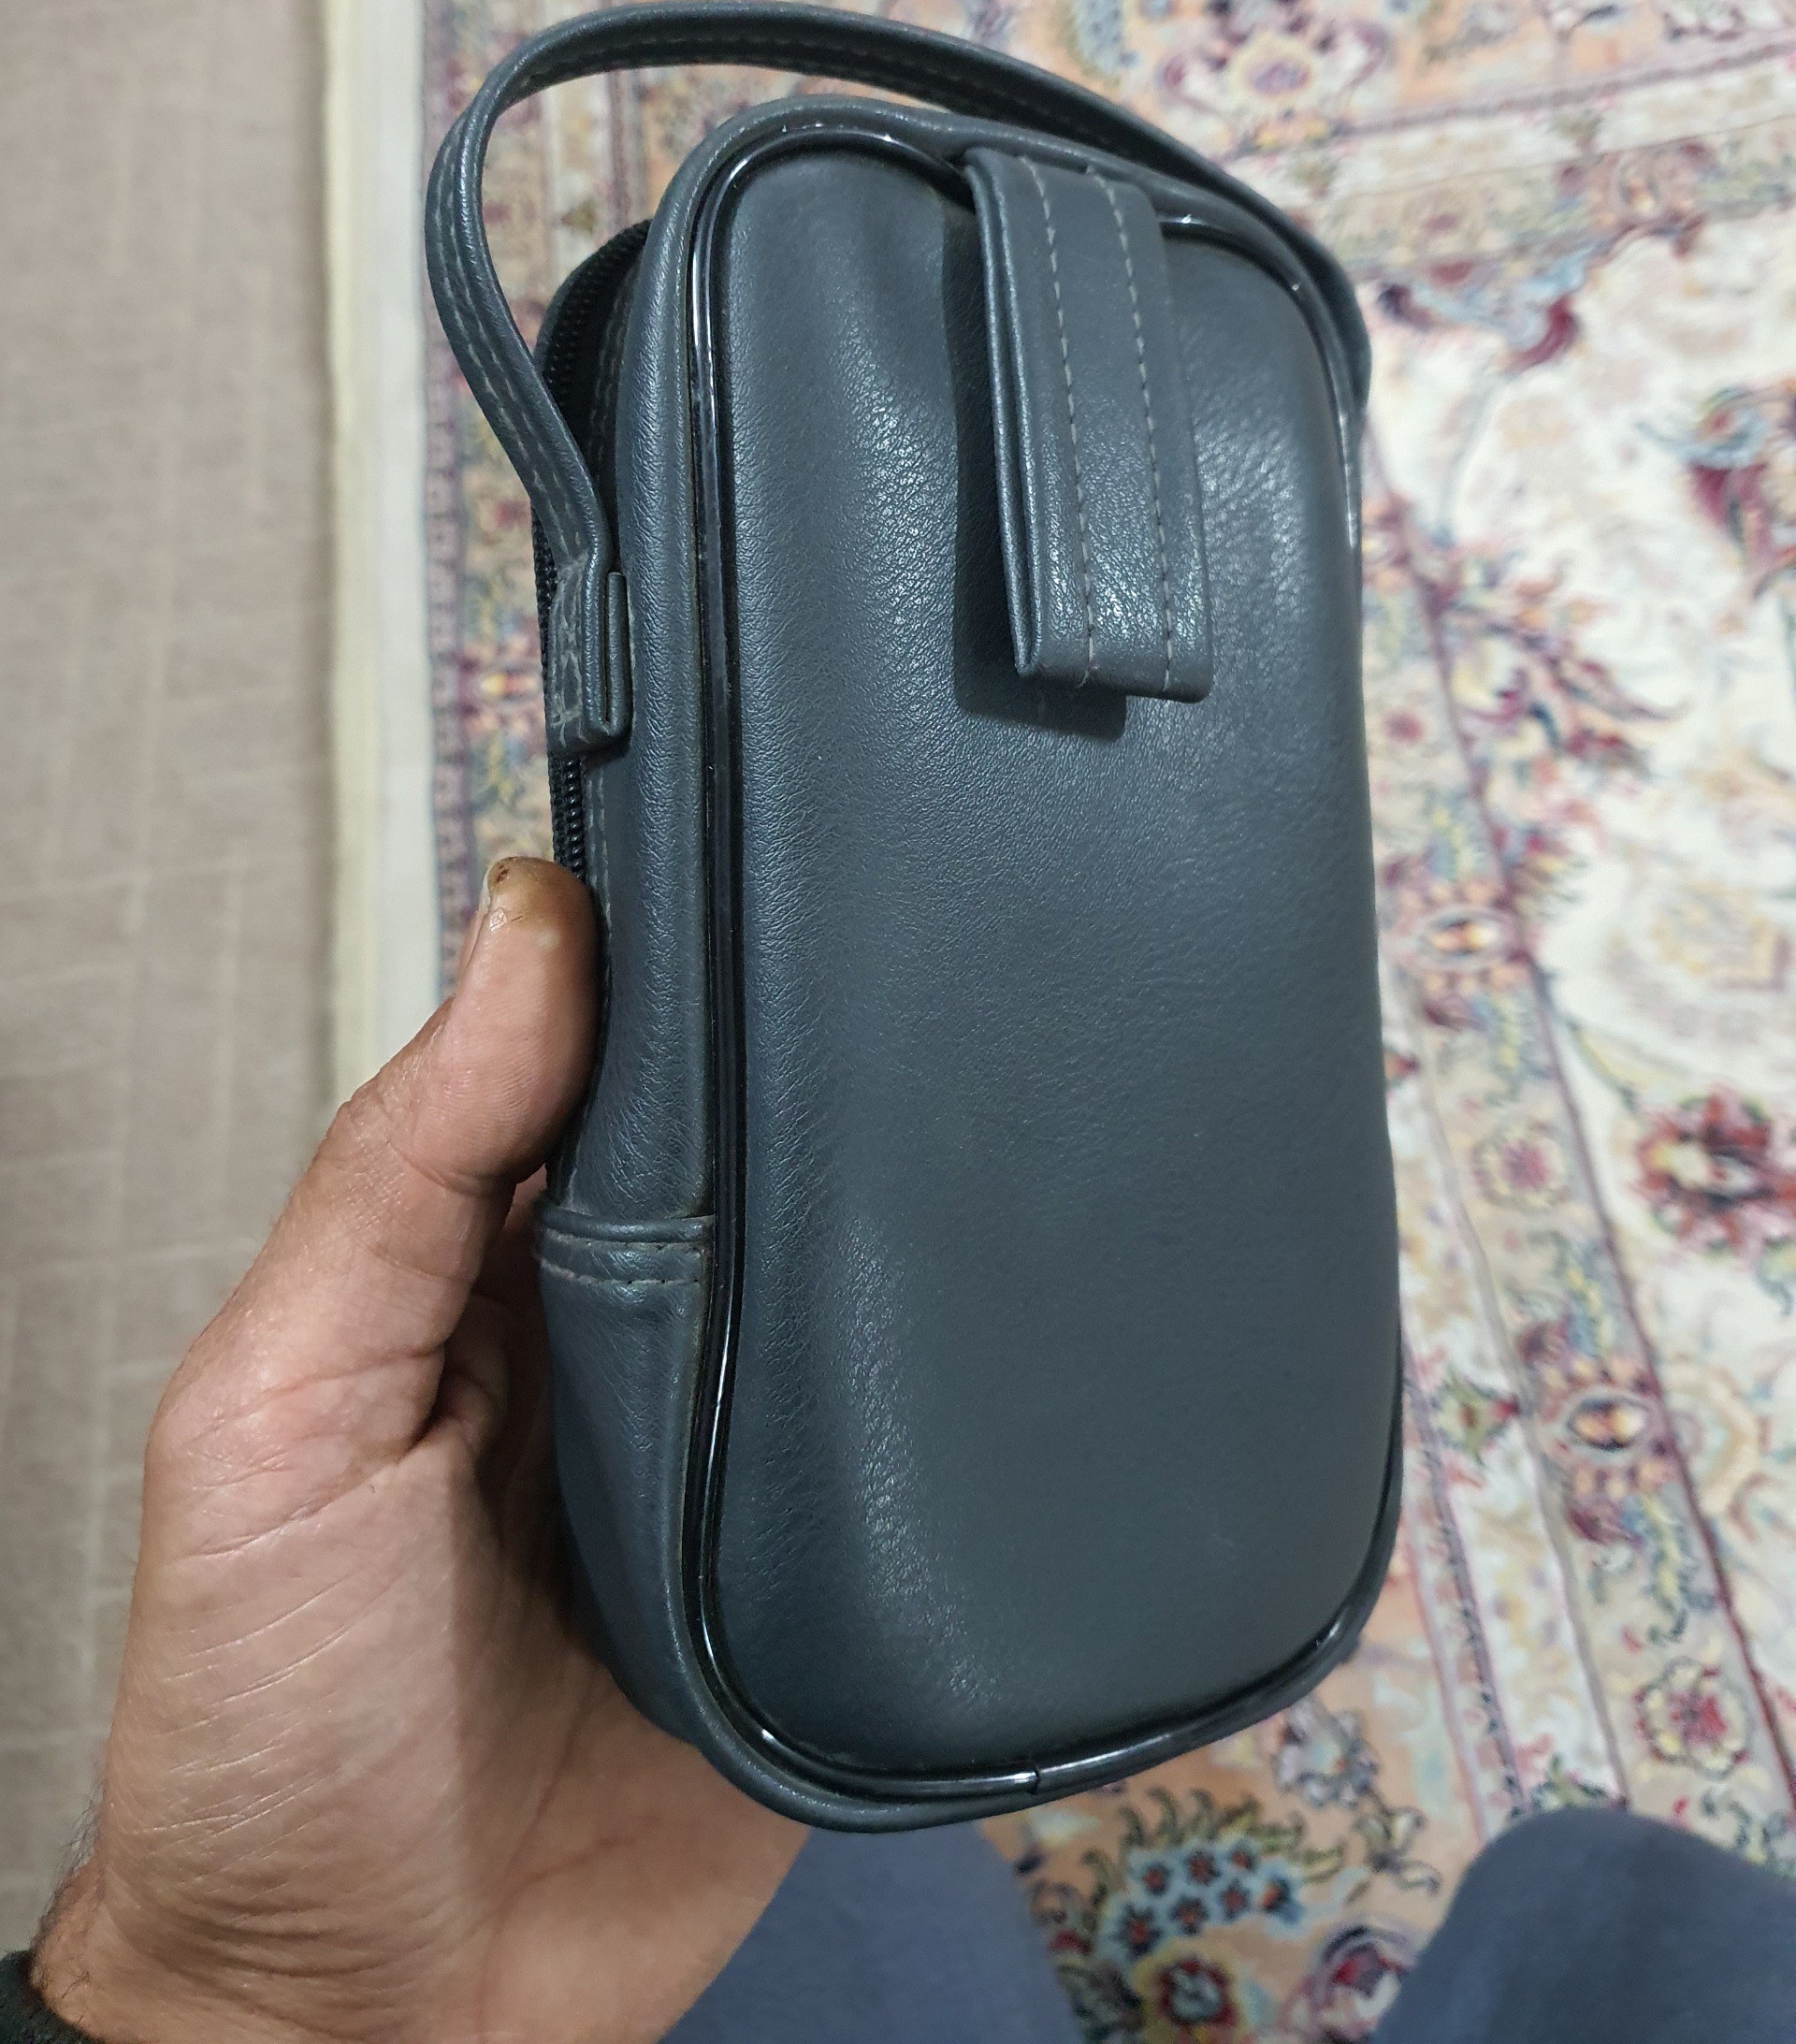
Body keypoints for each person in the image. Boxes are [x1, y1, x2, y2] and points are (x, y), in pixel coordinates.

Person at [7, 859, 1794, 2044]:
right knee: (1608, 1894)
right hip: (704, 1743)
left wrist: (227, 2002)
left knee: (846, 1826)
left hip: (547, 1865)